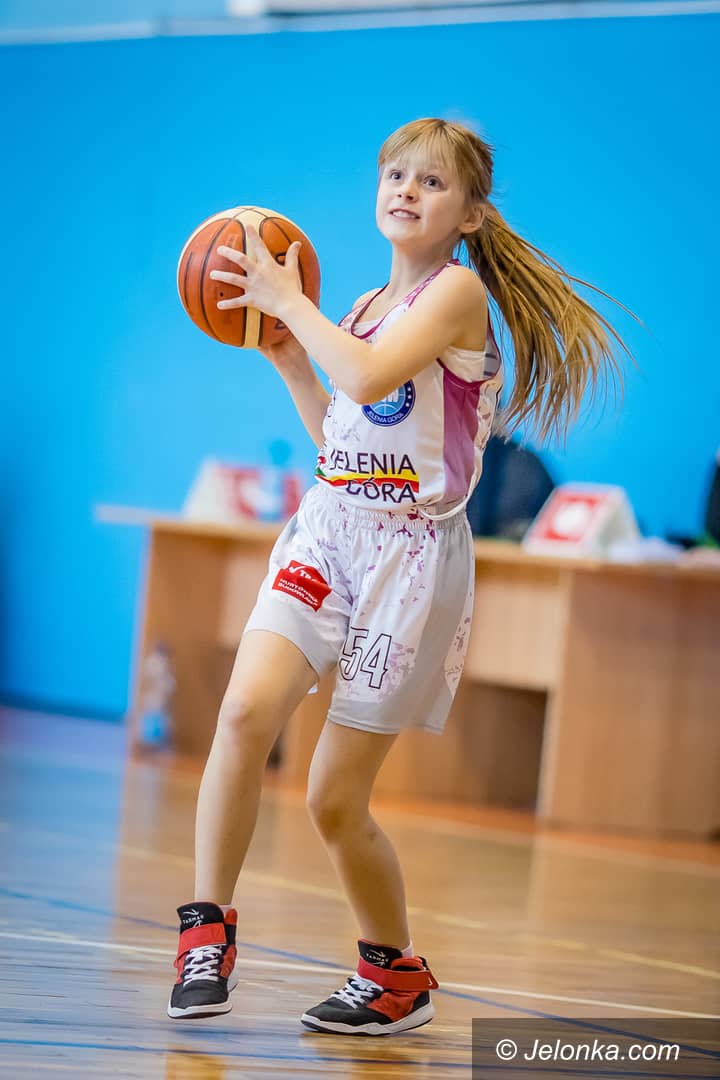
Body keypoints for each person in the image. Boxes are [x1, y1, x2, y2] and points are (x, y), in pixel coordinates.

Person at [167, 118, 628, 1035]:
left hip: (411, 561)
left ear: (470, 215)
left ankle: (395, 973)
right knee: (244, 712)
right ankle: (204, 932)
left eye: (431, 182)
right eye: (395, 175)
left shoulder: (456, 294)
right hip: (329, 531)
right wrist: (291, 357)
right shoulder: (363, 306)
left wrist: (288, 303)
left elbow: (373, 375)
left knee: (333, 800)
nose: (407, 191)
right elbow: (341, 437)